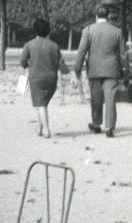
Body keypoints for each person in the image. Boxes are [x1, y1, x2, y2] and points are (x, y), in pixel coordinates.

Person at [74, 4, 129, 138]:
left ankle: (97, 123)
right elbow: (123, 55)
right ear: (108, 15)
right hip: (112, 69)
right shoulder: (117, 31)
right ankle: (109, 127)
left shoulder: (88, 30)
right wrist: (126, 71)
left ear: (96, 15)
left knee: (96, 98)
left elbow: (81, 52)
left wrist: (77, 70)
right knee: (110, 99)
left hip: (94, 69)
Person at [20, 18, 69, 138]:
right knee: (43, 103)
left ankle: (46, 129)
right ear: (48, 31)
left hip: (36, 77)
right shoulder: (54, 46)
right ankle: (39, 126)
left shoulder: (29, 45)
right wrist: (66, 73)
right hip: (51, 78)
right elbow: (61, 63)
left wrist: (28, 67)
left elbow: (23, 60)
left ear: (35, 30)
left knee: (40, 104)